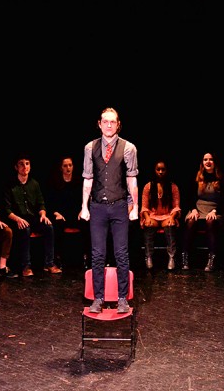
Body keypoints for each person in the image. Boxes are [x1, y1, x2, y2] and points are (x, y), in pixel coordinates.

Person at [79, 107, 139, 314]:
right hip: (97, 207)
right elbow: (88, 178)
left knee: (121, 253)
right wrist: (84, 207)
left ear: (118, 124)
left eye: (113, 122)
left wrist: (135, 207)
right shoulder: (90, 147)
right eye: (105, 121)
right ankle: (98, 298)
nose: (109, 125)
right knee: (97, 254)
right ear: (99, 123)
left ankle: (122, 298)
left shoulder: (129, 148)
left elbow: (132, 179)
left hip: (119, 206)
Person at [3, 152, 62, 277]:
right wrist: (18, 219)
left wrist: (43, 215)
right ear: (16, 167)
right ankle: (26, 266)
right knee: (25, 229)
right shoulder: (10, 185)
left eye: (27, 164)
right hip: (17, 219)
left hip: (32, 218)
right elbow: (7, 210)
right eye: (21, 164)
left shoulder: (34, 184)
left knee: (49, 227)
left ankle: (49, 263)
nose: (25, 167)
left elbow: (41, 204)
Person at [180, 152, 224, 272]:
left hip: (216, 210)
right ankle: (185, 258)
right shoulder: (197, 177)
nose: (208, 162)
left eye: (211, 159)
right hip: (198, 208)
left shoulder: (221, 178)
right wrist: (193, 209)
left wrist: (215, 211)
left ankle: (212, 258)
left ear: (215, 162)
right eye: (205, 159)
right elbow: (188, 197)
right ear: (202, 162)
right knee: (190, 221)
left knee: (210, 222)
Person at [45, 155, 91, 270]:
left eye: (70, 165)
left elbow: (86, 198)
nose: (68, 168)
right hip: (62, 216)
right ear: (61, 168)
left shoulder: (78, 182)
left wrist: (83, 209)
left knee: (88, 224)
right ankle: (58, 258)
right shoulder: (55, 183)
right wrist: (56, 213)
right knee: (56, 226)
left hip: (76, 215)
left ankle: (87, 257)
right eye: (65, 166)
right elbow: (50, 203)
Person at [139, 159, 181, 270]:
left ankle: (171, 257)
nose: (161, 172)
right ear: (154, 171)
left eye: (163, 169)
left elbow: (176, 206)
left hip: (167, 215)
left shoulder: (173, 187)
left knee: (170, 225)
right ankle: (148, 256)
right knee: (148, 225)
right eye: (158, 169)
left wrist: (172, 217)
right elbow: (144, 207)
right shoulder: (148, 186)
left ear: (167, 171)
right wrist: (147, 217)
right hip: (153, 215)